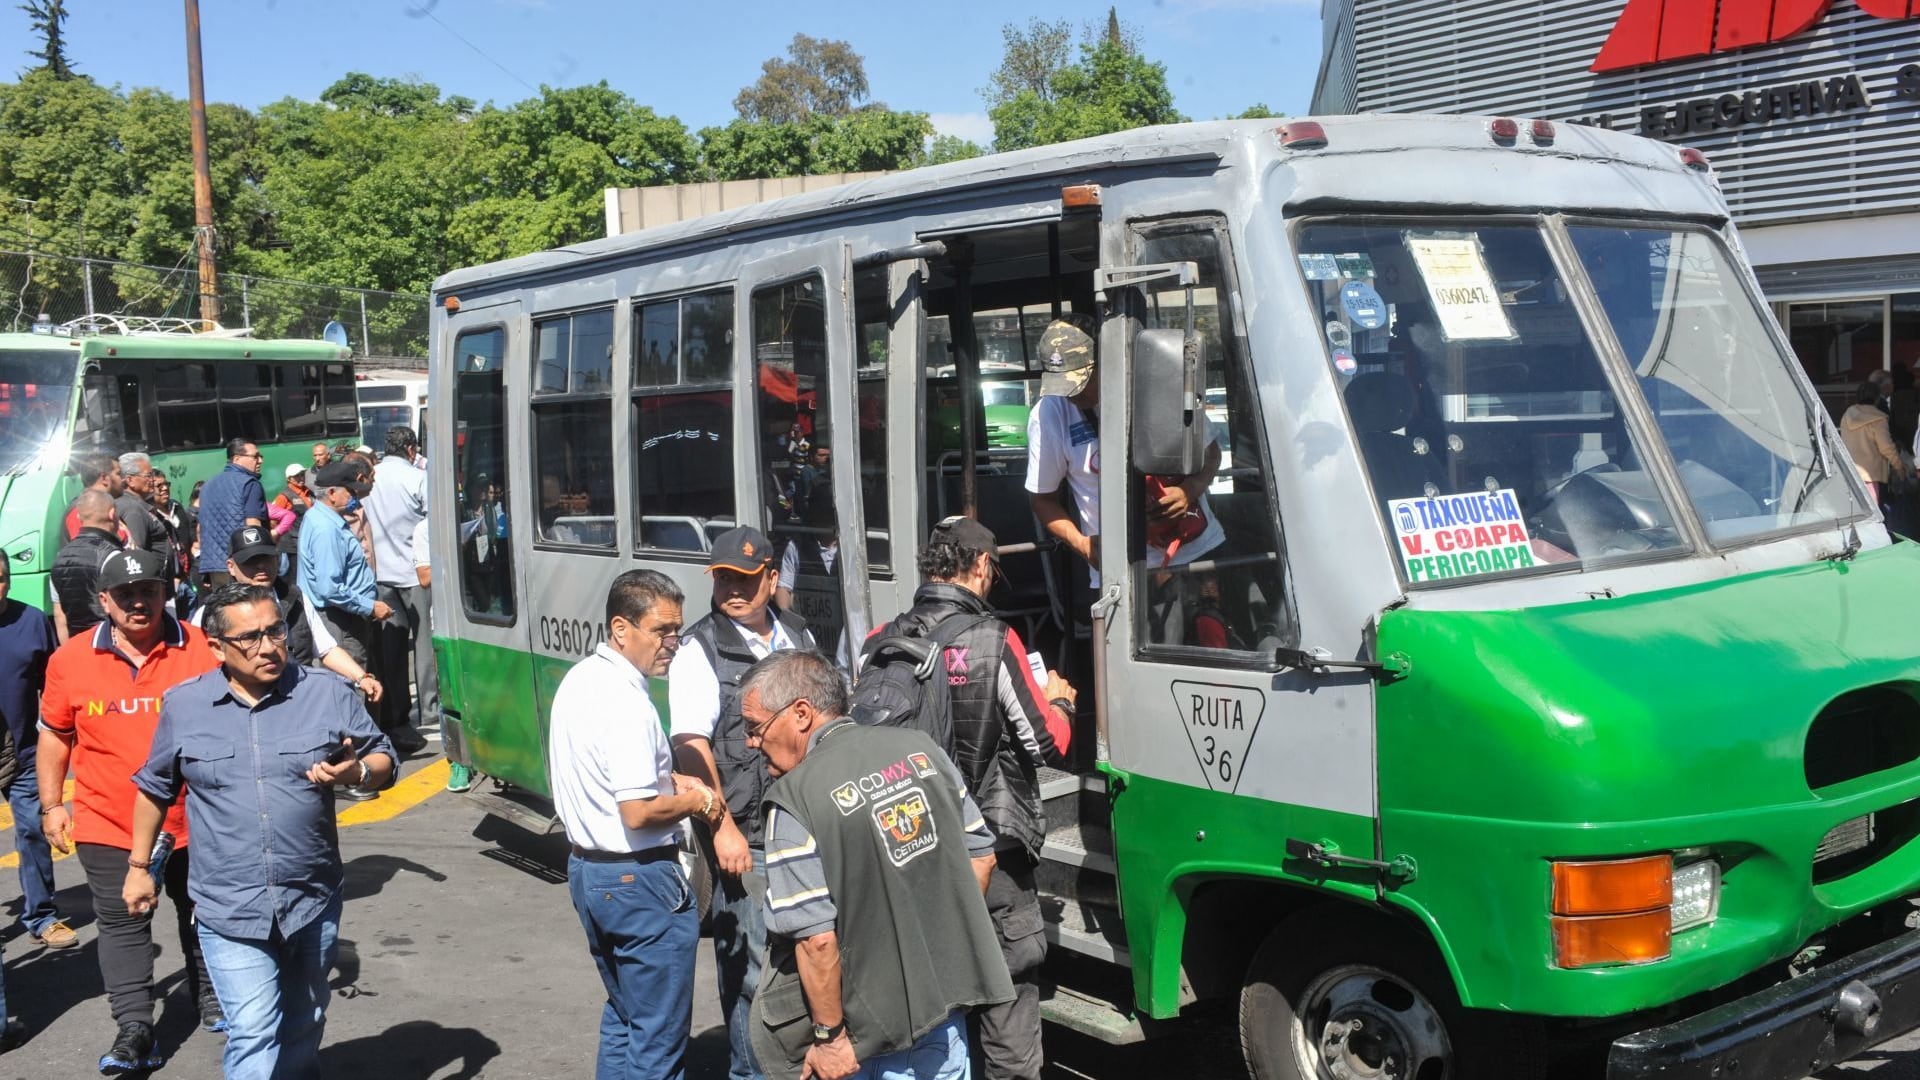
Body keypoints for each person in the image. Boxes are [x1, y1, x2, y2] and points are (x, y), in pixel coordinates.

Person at [125, 582, 394, 1080]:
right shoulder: (185, 706)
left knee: (303, 1022)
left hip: (310, 898)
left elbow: (383, 757)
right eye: (249, 638)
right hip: (229, 905)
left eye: (275, 631)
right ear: (217, 647)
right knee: (252, 1028)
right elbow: (154, 789)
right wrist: (140, 868)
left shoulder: (327, 692)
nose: (268, 647)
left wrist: (358, 773)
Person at [862, 516, 1076, 1080]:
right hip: (992, 852)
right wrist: (1061, 699)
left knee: (933, 1006)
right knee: (1006, 1002)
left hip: (907, 851)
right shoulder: (993, 639)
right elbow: (1047, 741)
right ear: (982, 566)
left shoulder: (879, 639)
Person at [743, 649, 1013, 1080]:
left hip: (865, 1041)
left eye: (755, 727)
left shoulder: (795, 800)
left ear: (800, 713)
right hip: (944, 1023)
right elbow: (981, 857)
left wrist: (829, 1040)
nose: (750, 743)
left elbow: (816, 942)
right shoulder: (922, 751)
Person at [38, 549, 223, 1073]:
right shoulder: (69, 659)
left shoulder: (202, 647)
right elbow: (54, 734)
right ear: (104, 602)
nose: (139, 603)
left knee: (203, 912)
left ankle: (210, 993)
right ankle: (136, 1027)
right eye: (126, 595)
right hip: (107, 820)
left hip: (198, 817)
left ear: (166, 593)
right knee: (123, 922)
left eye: (149, 591)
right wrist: (52, 805)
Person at [549, 569, 721, 1080]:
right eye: (661, 631)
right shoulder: (627, 703)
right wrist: (700, 802)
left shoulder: (582, 680)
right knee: (659, 1041)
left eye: (678, 631)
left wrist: (671, 781)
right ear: (621, 629)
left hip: (589, 873)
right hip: (639, 881)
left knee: (627, 1017)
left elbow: (610, 776)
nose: (673, 644)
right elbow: (637, 811)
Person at [669, 526, 817, 1080]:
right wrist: (723, 827)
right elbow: (690, 744)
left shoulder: (798, 638)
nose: (733, 588)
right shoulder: (699, 649)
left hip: (804, 830)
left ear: (772, 578)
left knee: (806, 965)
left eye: (746, 579)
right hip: (746, 841)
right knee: (751, 980)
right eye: (724, 577)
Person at [1026, 315, 1223, 587]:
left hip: (1197, 552)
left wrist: (1190, 489)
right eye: (1063, 388)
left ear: (1105, 362)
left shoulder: (1154, 386)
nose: (1073, 396)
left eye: (1081, 383)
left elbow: (1212, 451)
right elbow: (1042, 499)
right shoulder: (1049, 412)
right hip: (1120, 574)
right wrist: (1082, 544)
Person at [0, 552, 75, 952]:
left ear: (9, 580)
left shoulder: (30, 622)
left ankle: (42, 916)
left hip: (25, 752)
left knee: (32, 831)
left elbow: (55, 685)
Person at [298, 463, 394, 702]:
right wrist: (370, 606)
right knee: (350, 689)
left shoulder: (321, 518)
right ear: (332, 493)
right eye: (349, 492)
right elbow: (329, 588)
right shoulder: (326, 529)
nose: (354, 497)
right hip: (340, 619)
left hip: (342, 615)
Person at [365, 426, 433, 746]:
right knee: (424, 643)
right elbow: (434, 522)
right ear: (410, 449)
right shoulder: (418, 478)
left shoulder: (371, 477)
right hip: (415, 572)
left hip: (380, 575)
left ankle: (397, 712)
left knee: (391, 649)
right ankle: (430, 708)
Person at [50, 490, 124, 643]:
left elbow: (60, 616)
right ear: (113, 514)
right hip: (110, 645)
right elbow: (123, 610)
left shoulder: (59, 558)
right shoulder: (113, 556)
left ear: (79, 517)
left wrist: (69, 651)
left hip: (77, 648)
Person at [197, 439, 269, 590]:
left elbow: (200, 529)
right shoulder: (249, 484)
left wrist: (205, 568)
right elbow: (253, 527)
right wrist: (261, 564)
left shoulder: (207, 485)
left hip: (214, 567)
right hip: (243, 566)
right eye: (256, 456)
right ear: (237, 459)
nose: (260, 460)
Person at [1841, 378, 1913, 511]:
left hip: (1849, 473)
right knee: (1872, 515)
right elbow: (1886, 448)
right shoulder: (1878, 419)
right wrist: (1899, 467)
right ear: (1877, 398)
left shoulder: (1847, 415)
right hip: (1870, 476)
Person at [63, 453, 130, 545]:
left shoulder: (107, 505)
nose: (123, 479)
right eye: (118, 474)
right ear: (104, 478)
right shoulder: (80, 510)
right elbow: (86, 552)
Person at [272, 464, 316, 572]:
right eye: (297, 476)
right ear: (289, 479)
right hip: (291, 546)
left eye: (302, 474)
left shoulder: (309, 492)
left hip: (308, 541)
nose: (301, 477)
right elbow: (273, 521)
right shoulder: (284, 496)